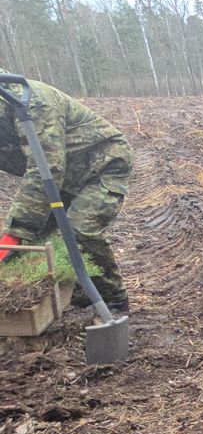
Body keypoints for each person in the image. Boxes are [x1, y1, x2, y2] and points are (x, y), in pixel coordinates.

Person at [0, 68, 134, 312]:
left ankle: (112, 298)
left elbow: (45, 170)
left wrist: (14, 234)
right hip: (58, 176)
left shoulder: (32, 102)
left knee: (79, 228)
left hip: (101, 164)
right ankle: (58, 297)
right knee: (36, 240)